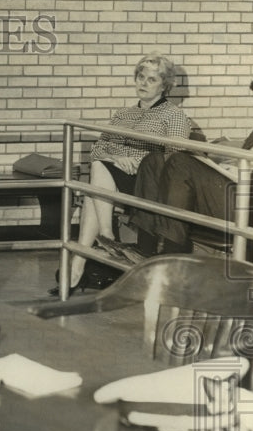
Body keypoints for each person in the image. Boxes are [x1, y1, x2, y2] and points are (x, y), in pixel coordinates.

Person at [59, 53, 191, 292]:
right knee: (97, 177)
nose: (143, 83)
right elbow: (99, 148)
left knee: (94, 185)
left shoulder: (174, 115)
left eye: (151, 79)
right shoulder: (123, 114)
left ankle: (88, 255)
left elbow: (177, 158)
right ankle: (96, 249)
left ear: (165, 85)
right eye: (140, 77)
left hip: (147, 182)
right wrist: (116, 158)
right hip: (113, 175)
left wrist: (135, 159)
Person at [130, 70, 253, 256]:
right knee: (155, 160)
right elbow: (243, 155)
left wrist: (240, 173)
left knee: (180, 163)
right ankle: (145, 249)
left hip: (251, 205)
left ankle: (173, 254)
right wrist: (223, 164)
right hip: (232, 188)